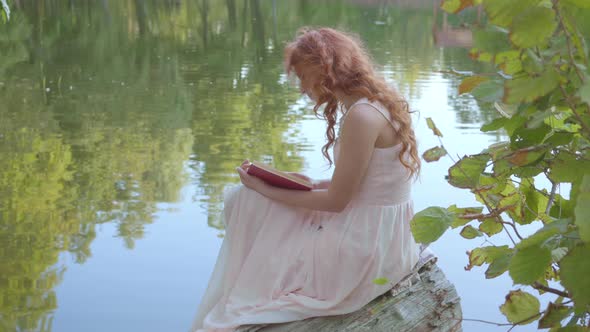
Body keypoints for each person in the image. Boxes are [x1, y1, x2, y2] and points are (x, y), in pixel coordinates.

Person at [191, 27, 436, 332]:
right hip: (386, 240)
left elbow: (336, 202)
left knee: (250, 199)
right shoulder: (381, 101)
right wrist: (304, 182)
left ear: (324, 69)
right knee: (259, 199)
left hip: (365, 252)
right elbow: (369, 186)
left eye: (303, 76)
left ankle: (250, 288)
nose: (302, 88)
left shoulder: (361, 117)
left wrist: (265, 187)